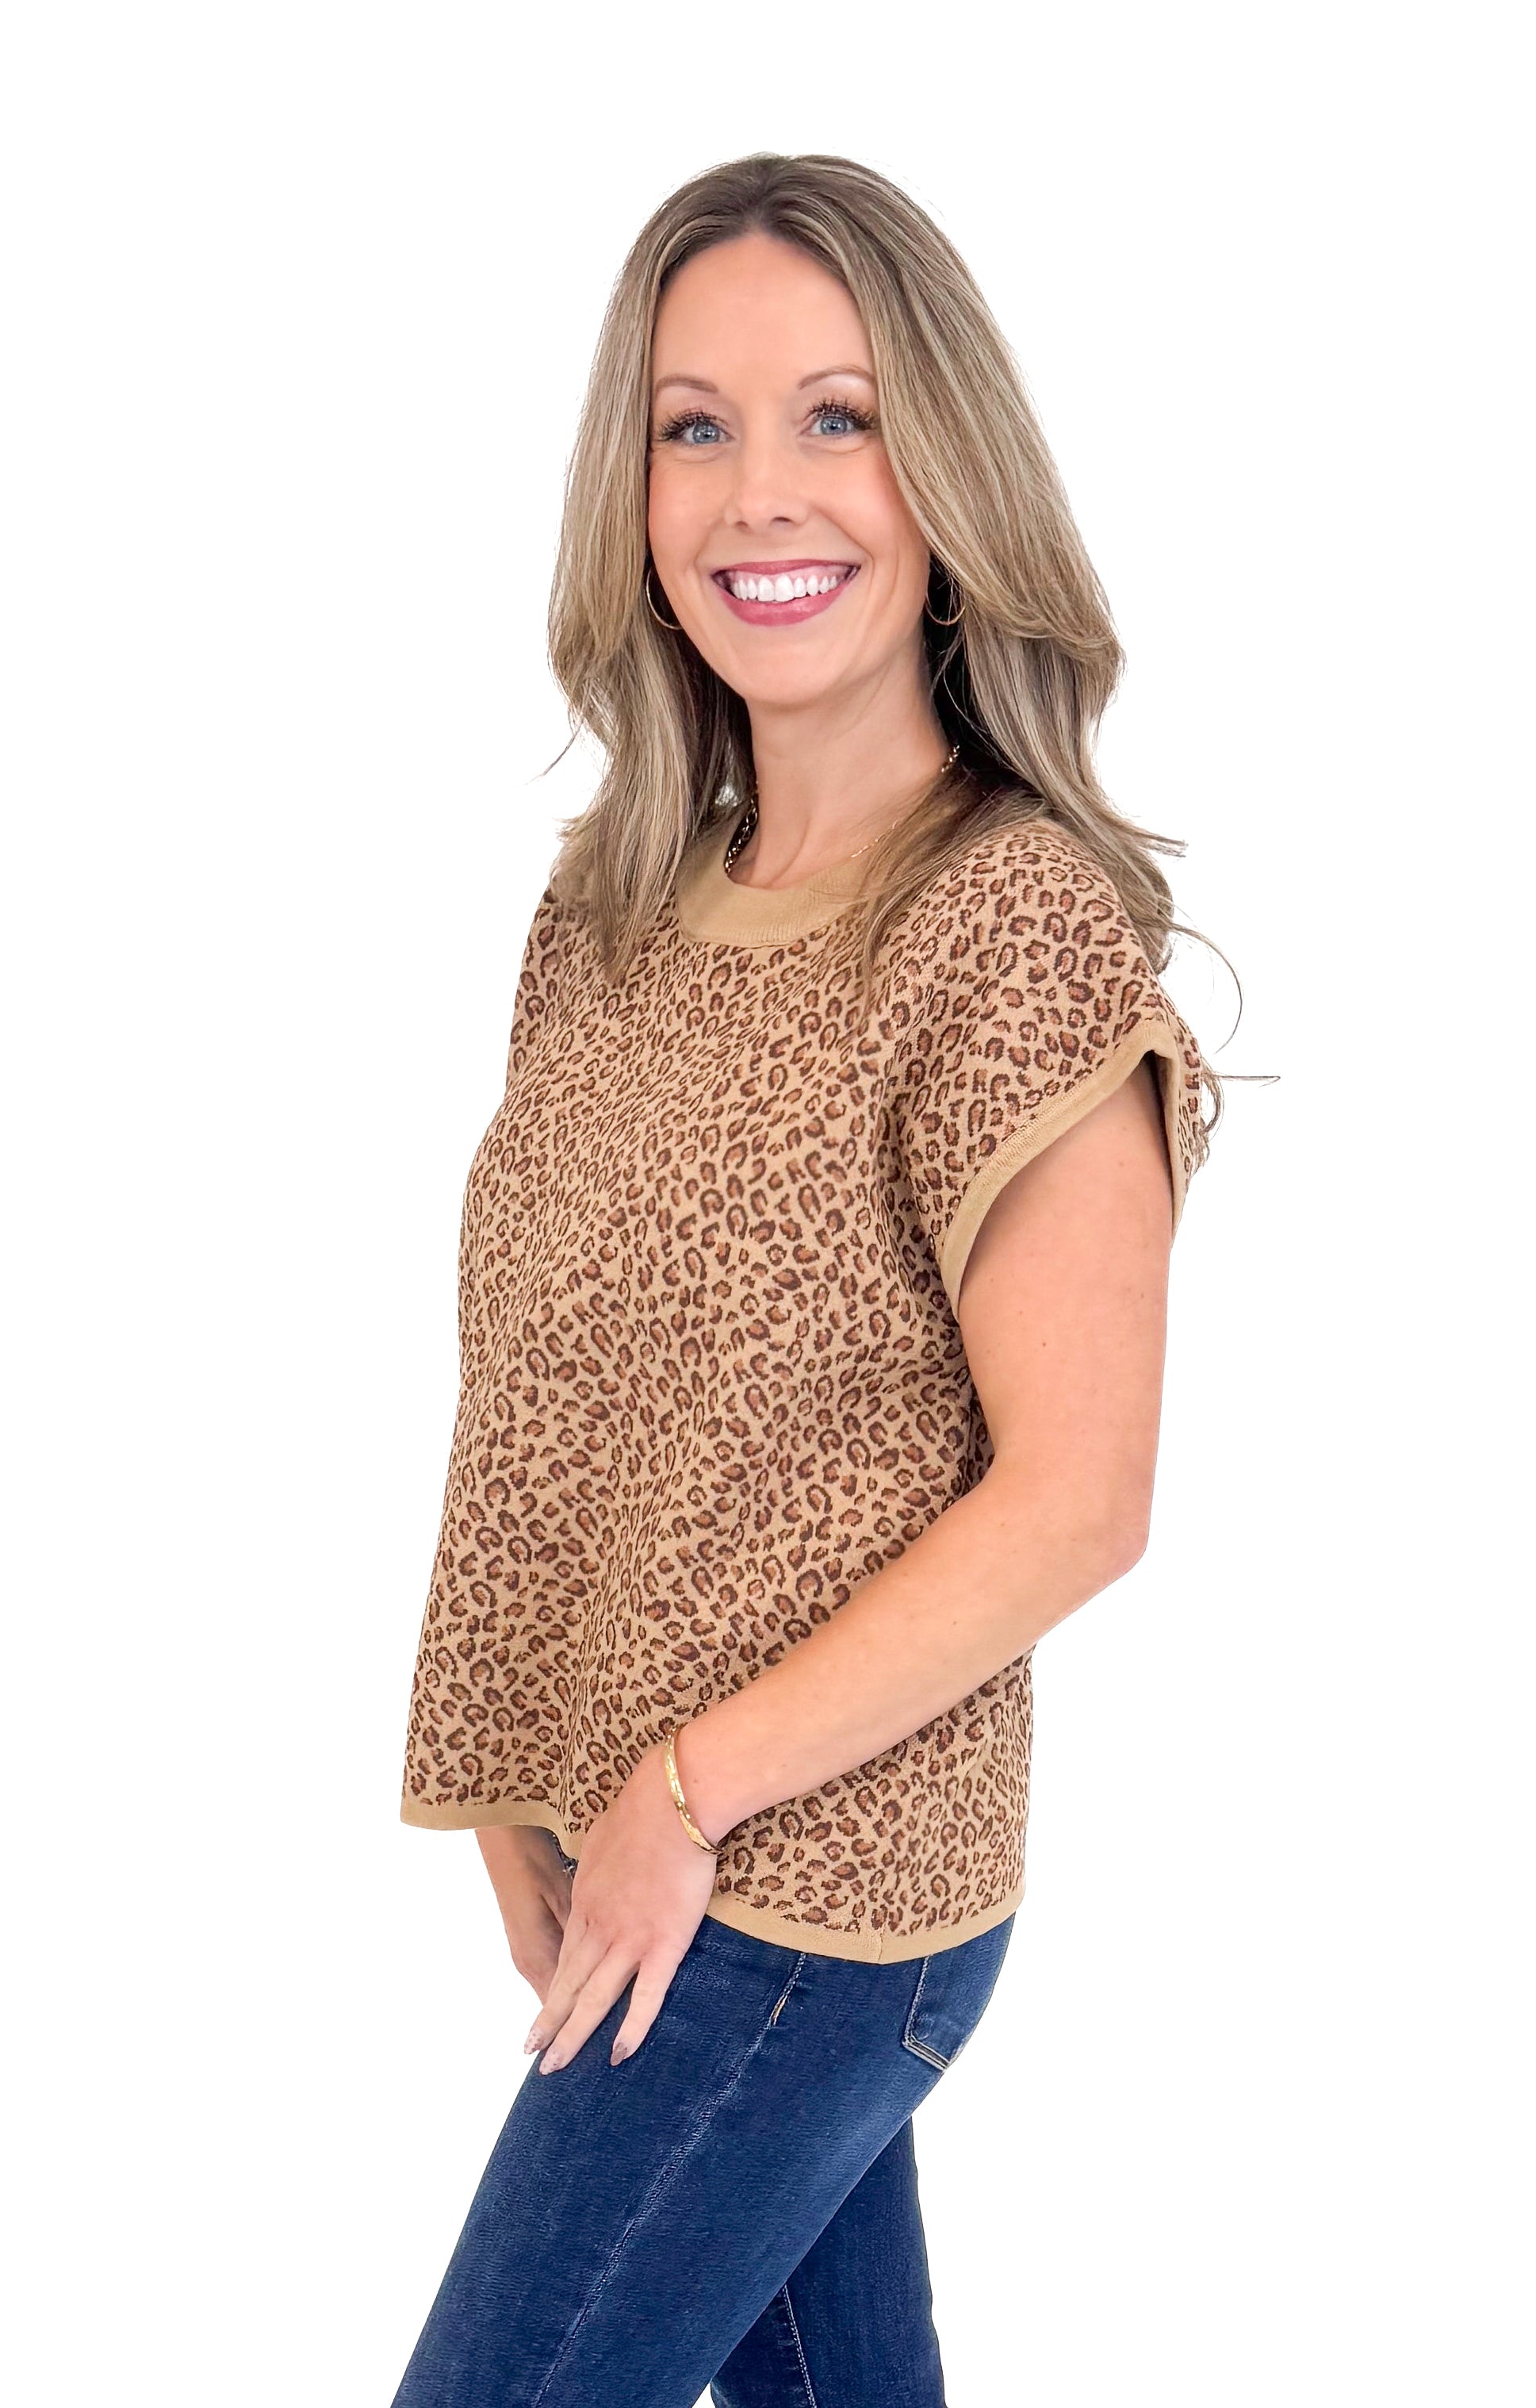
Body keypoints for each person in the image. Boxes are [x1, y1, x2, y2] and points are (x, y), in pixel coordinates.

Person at [390, 150, 1223, 2408]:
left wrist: (676, 1786)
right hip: (654, 1864)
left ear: (944, 467)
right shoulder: (611, 912)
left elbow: (1081, 1496)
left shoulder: (1006, 928)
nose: (763, 490)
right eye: (695, 422)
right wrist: (511, 1785)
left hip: (822, 1900)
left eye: (838, 415)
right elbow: (536, 1376)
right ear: (633, 487)